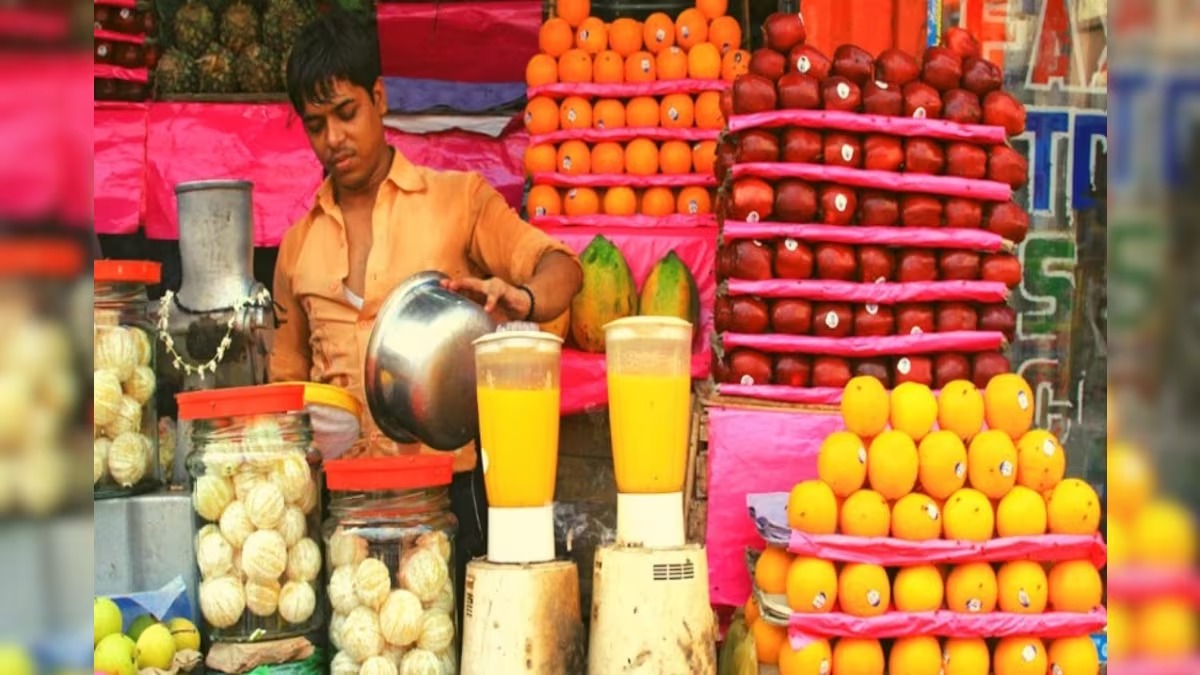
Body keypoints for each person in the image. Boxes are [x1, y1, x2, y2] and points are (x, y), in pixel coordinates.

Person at [271, 10, 582, 614]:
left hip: (447, 494)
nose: (333, 138)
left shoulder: (457, 200)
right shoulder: (295, 247)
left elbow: (560, 266)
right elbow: (285, 386)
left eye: (346, 112)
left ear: (379, 97)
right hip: (342, 512)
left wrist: (523, 299)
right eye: (315, 125)